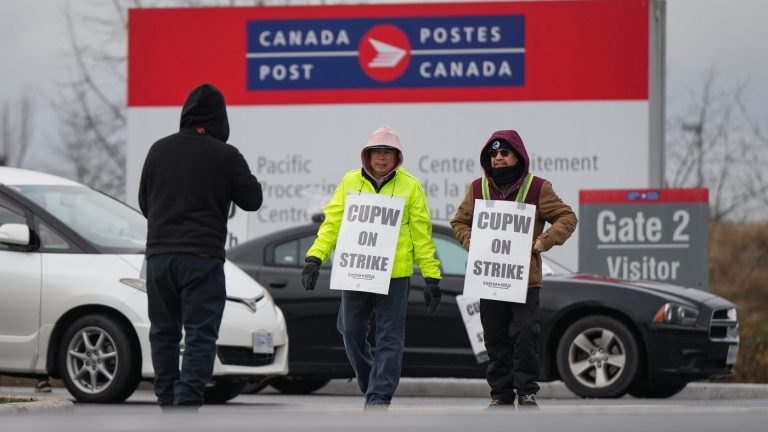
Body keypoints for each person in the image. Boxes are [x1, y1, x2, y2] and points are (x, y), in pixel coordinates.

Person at [138, 83, 263, 410]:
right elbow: (253, 200)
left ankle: (167, 400)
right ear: (220, 118)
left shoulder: (158, 150)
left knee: (163, 333)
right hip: (201, 259)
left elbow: (144, 203)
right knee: (200, 335)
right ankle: (187, 404)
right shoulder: (226, 155)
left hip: (160, 258)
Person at [301, 126, 442, 409]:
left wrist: (432, 277)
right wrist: (314, 258)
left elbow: (421, 235)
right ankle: (370, 382)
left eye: (387, 153)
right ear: (367, 155)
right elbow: (332, 224)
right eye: (376, 152)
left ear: (397, 157)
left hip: (395, 275)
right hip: (355, 270)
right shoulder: (350, 181)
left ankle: (379, 396)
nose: (381, 157)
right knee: (351, 331)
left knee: (390, 337)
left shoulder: (410, 186)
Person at [450, 130, 577, 409]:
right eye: (493, 154)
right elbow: (459, 222)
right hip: (490, 277)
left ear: (518, 156)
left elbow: (567, 217)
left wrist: (544, 241)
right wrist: (472, 240)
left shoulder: (537, 188)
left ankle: (527, 392)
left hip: (525, 280)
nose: (498, 158)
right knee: (494, 336)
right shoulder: (477, 188)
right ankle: (500, 395)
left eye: (504, 153)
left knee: (525, 334)